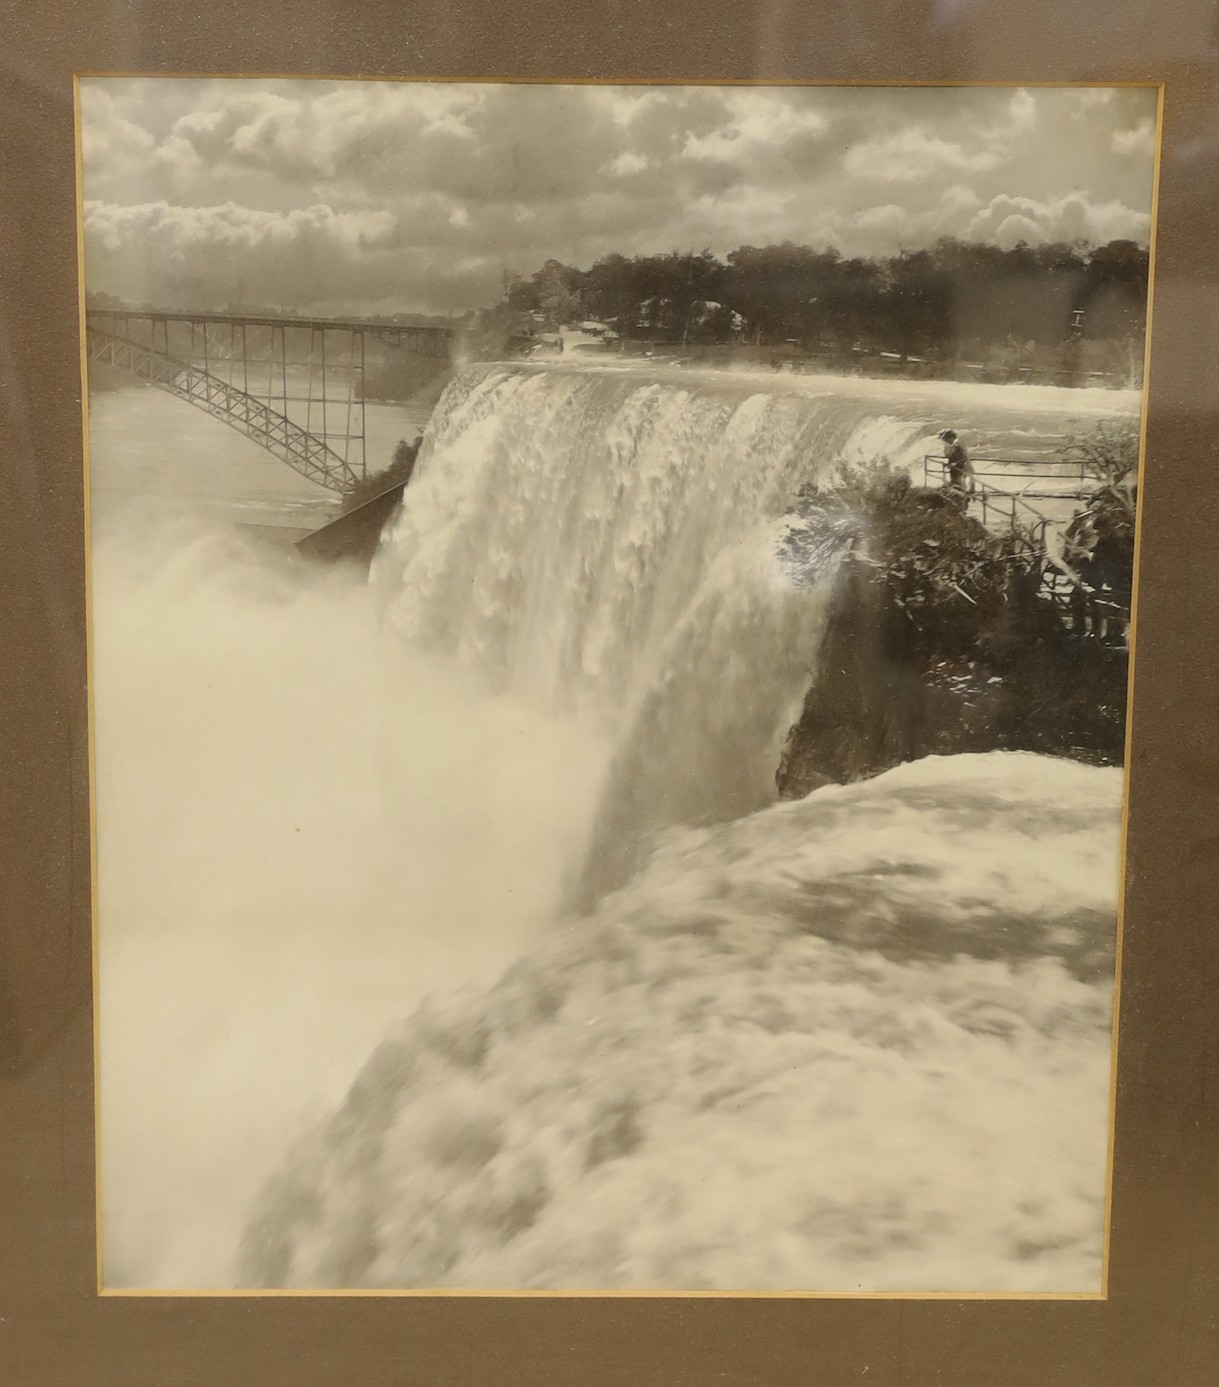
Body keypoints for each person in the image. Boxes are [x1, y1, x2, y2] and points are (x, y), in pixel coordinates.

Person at [937, 428, 976, 498]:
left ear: (951, 437)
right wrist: (949, 464)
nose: (945, 441)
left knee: (959, 488)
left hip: (961, 469)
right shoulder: (956, 444)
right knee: (958, 487)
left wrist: (955, 464)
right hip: (959, 469)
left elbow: (964, 457)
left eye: (945, 439)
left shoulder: (957, 444)